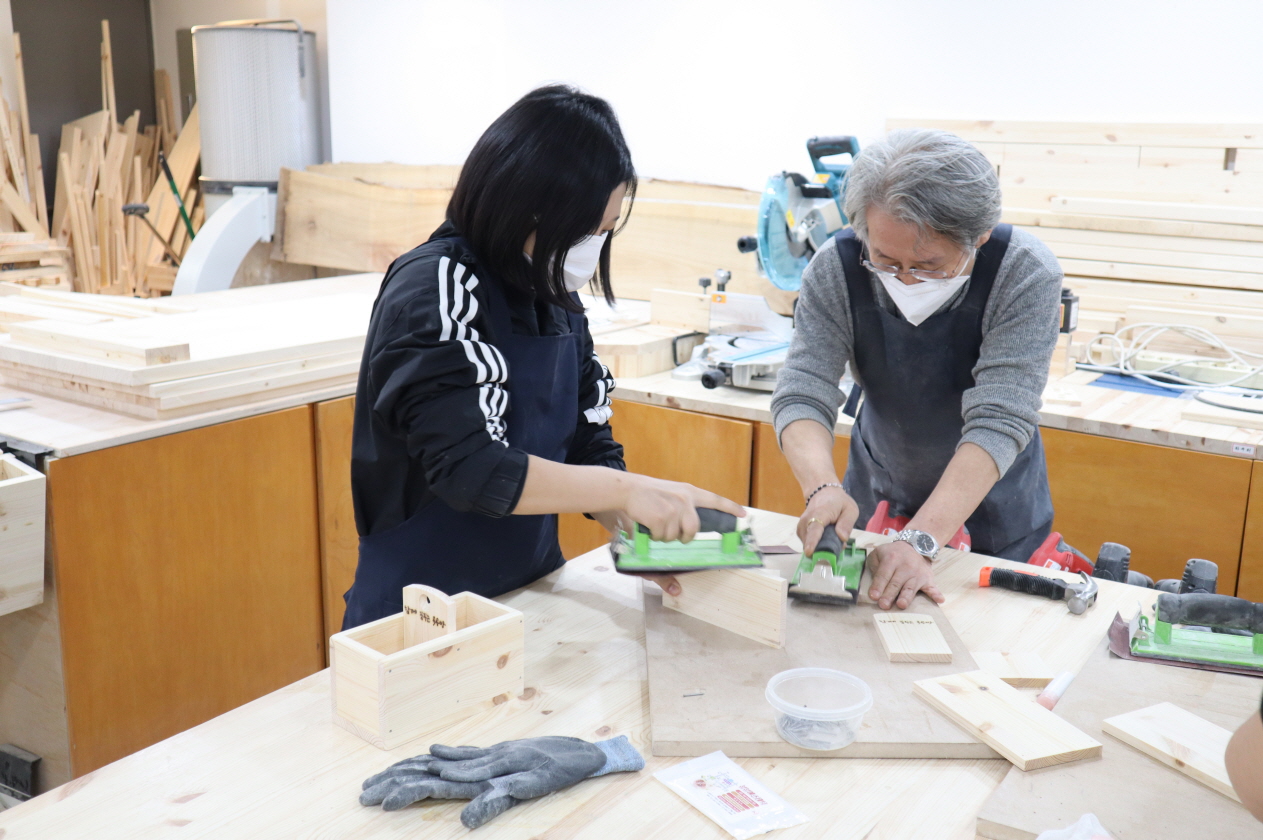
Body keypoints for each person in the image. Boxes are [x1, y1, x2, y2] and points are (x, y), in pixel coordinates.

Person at [342, 86, 742, 628]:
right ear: (531, 207)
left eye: (604, 232)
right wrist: (629, 491)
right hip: (418, 615)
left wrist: (634, 531)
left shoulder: (552, 295)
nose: (594, 247)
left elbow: (584, 440)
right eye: (587, 229)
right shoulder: (437, 286)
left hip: (528, 593)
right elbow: (471, 468)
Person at [771, 128, 1062, 611]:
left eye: (929, 266)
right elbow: (804, 390)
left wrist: (922, 539)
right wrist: (821, 487)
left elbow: (1000, 418)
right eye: (885, 260)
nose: (905, 279)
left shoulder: (1024, 272)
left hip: (997, 510)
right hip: (879, 490)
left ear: (979, 236)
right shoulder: (836, 268)